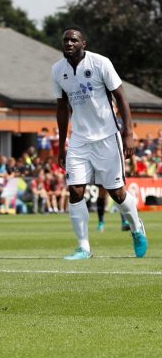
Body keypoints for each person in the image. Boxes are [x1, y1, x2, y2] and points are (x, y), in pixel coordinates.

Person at [52, 27, 148, 259]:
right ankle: (84, 247)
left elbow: (121, 97)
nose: (69, 43)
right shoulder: (57, 70)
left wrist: (129, 133)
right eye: (65, 40)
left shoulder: (100, 63)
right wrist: (62, 142)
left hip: (107, 136)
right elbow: (62, 108)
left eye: (73, 40)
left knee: (116, 192)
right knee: (75, 190)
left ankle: (136, 228)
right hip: (79, 140)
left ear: (83, 42)